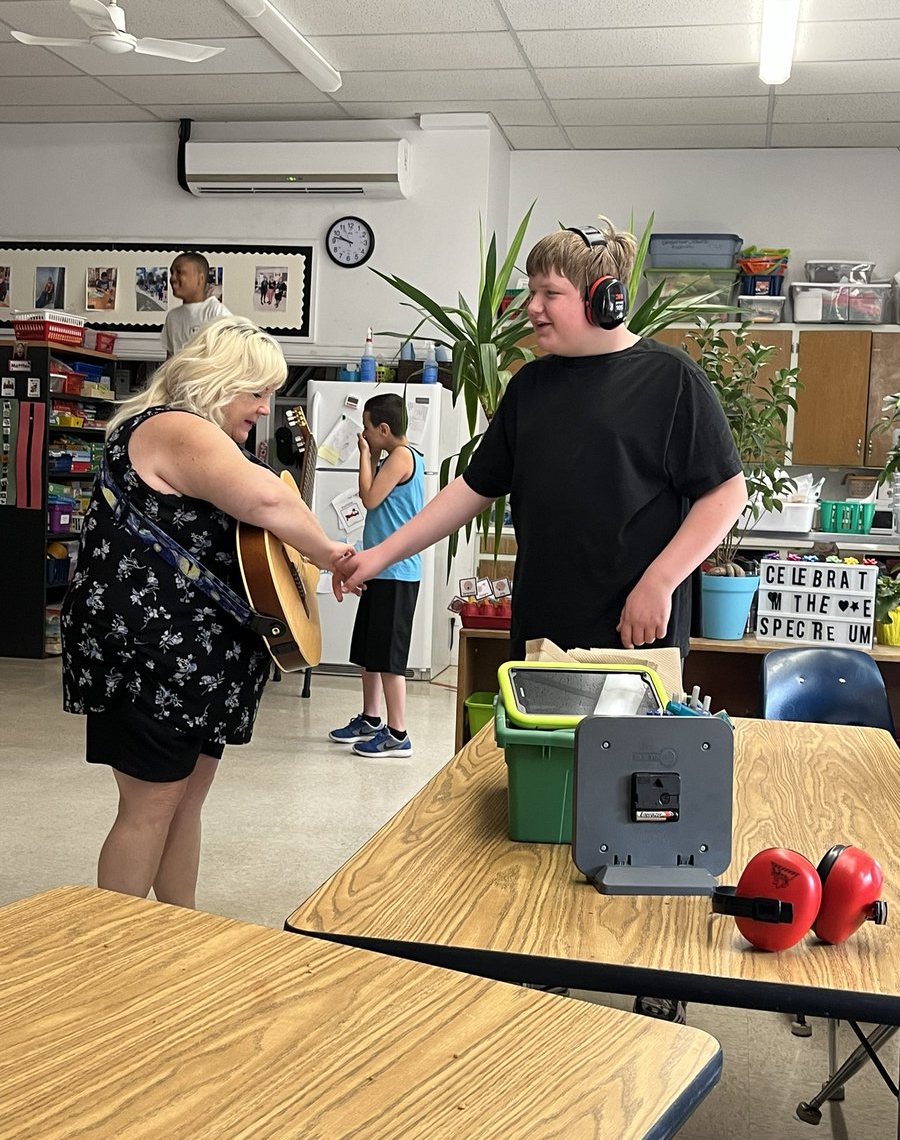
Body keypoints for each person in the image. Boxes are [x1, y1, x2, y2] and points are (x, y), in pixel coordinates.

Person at [334, 219, 748, 1018]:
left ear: (605, 297)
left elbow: (724, 493)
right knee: (553, 801)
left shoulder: (670, 381)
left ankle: (648, 975)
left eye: (548, 293)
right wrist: (379, 555)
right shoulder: (531, 388)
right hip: (546, 635)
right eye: (531, 290)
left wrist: (660, 580)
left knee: (640, 807)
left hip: (636, 640)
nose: (531, 307)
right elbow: (471, 489)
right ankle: (548, 962)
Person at [62, 316, 353, 909]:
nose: (265, 409)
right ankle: (109, 944)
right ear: (218, 381)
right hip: (149, 655)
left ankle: (181, 928)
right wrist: (333, 555)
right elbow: (267, 499)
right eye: (258, 393)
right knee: (149, 806)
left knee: (184, 800)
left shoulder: (200, 436)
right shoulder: (176, 426)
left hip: (191, 659)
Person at [329, 393, 424, 758]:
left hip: (396, 572)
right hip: (380, 570)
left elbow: (369, 499)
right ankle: (371, 719)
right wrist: (369, 456)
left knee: (388, 658)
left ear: (384, 429)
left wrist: (364, 456)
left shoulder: (401, 456)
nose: (364, 435)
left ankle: (398, 734)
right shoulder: (394, 456)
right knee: (370, 651)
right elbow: (371, 496)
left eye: (368, 429)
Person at [163, 252, 230, 357]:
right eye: (172, 273)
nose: (172, 278)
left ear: (200, 278)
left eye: (179, 272)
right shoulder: (172, 317)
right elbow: (170, 358)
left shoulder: (216, 312)